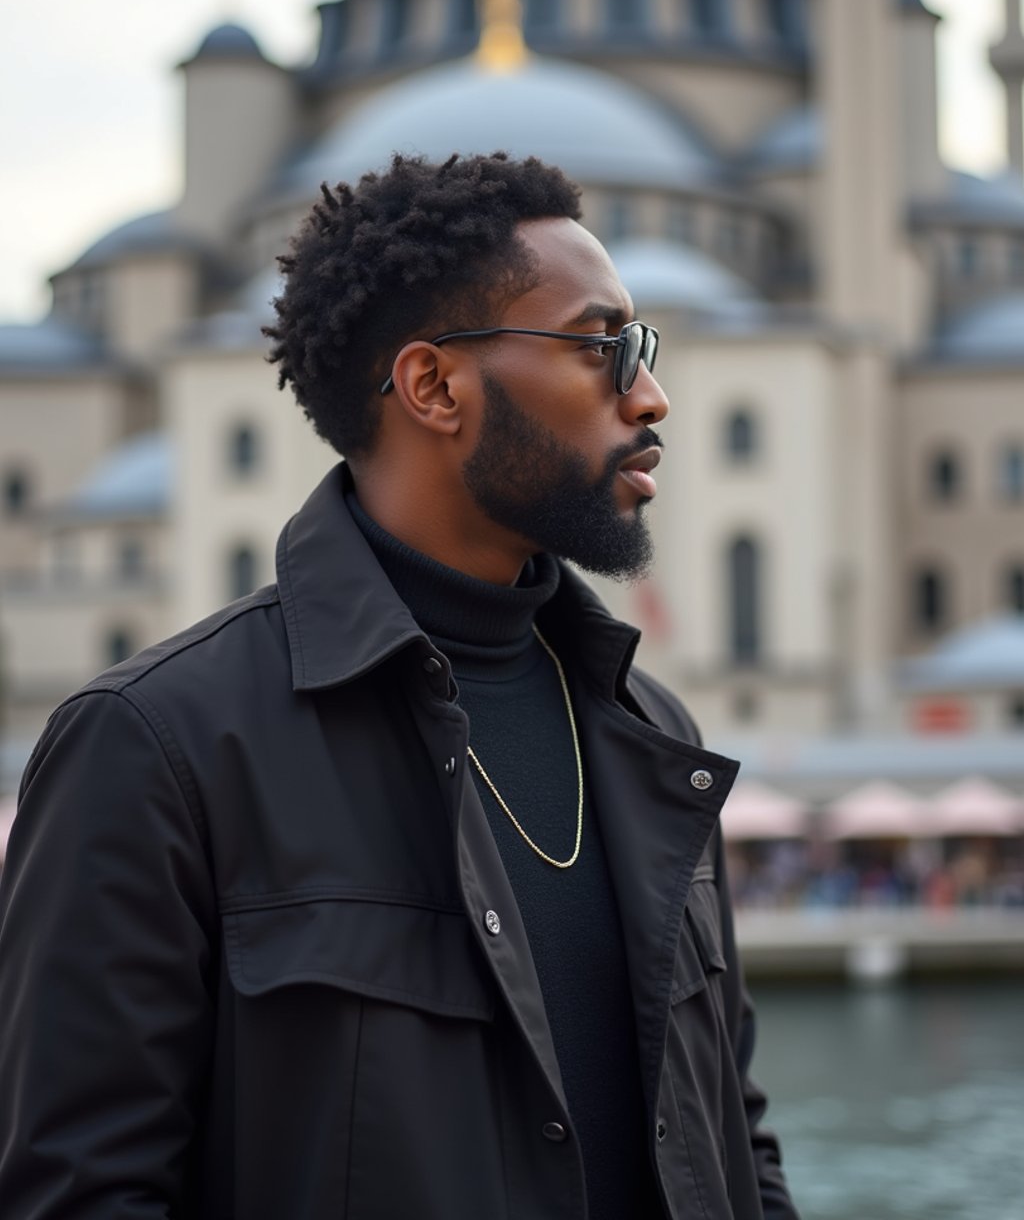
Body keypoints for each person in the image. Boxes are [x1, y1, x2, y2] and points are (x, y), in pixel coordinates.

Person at [0, 153, 799, 1219]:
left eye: (640, 349)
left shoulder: (651, 729)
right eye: (604, 347)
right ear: (432, 386)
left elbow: (738, 1143)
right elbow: (83, 1192)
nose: (648, 394)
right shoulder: (158, 746)